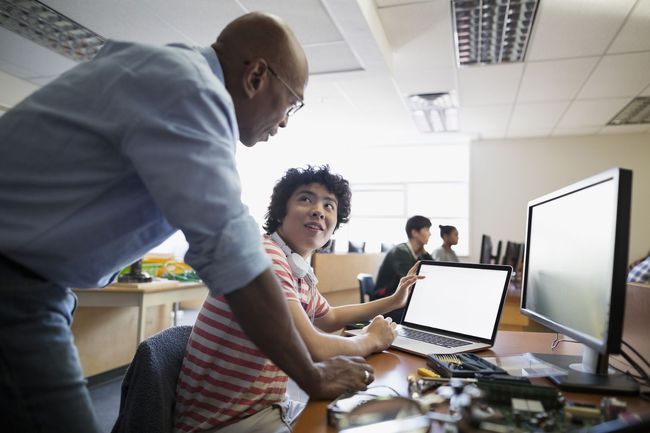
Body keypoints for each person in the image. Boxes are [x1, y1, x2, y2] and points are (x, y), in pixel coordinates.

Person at [0, 12, 371, 433]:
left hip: (37, 282)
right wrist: (312, 375)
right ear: (255, 77)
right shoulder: (190, 93)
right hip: (15, 283)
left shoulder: (173, 76)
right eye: (290, 103)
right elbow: (232, 256)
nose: (285, 120)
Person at [174, 166, 423, 433]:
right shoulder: (267, 257)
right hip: (226, 422)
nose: (319, 210)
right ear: (282, 211)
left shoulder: (296, 268)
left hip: (264, 406)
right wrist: (371, 339)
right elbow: (314, 346)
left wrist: (394, 300)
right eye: (306, 199)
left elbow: (329, 318)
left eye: (329, 205)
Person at [373, 215, 433, 322]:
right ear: (414, 232)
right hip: (385, 299)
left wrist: (425, 253)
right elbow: (410, 281)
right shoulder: (400, 251)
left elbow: (432, 271)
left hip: (398, 296)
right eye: (427, 229)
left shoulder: (418, 252)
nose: (430, 233)